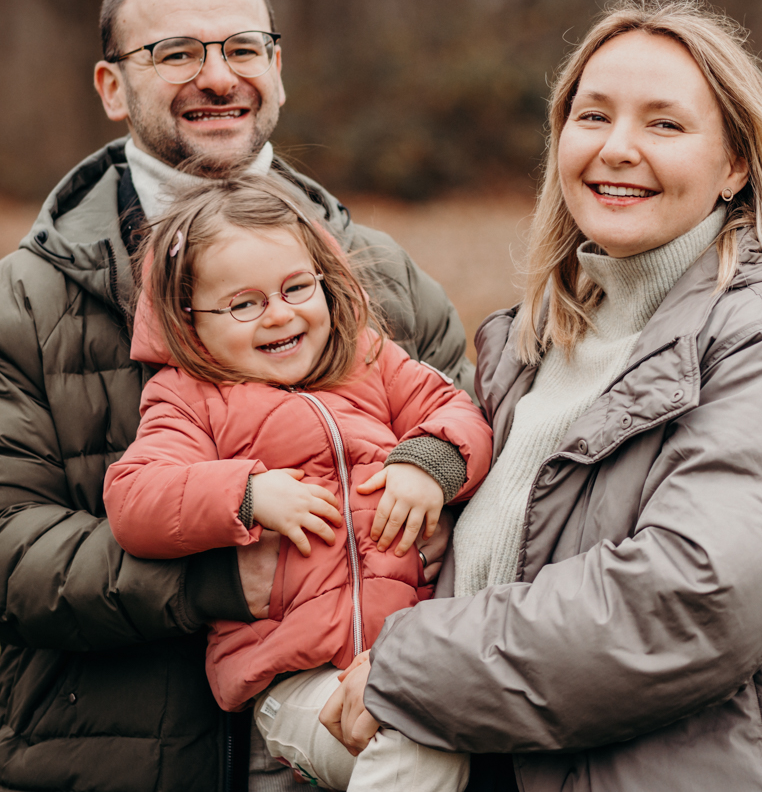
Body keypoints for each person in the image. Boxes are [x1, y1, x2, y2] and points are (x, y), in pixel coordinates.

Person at [321, 0, 762, 791]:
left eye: (665, 125)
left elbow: (693, 598)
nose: (617, 149)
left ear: (735, 164)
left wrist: (412, 665)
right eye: (592, 116)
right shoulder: (527, 345)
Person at [0, 0, 473, 792]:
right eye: (175, 52)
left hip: (359, 728)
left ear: (277, 72)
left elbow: (481, 469)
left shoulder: (382, 278)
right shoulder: (20, 304)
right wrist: (210, 577)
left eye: (242, 49)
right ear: (112, 87)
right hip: (104, 763)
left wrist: (432, 528)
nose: (217, 76)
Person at [104, 173, 491, 792]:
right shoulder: (189, 400)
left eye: (295, 287)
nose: (280, 314)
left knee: (430, 735)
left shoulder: (368, 359)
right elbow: (135, 497)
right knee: (420, 750)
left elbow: (459, 412)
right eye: (244, 303)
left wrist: (429, 463)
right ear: (189, 318)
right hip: (291, 682)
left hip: (400, 655)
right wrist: (247, 494)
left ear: (325, 282)